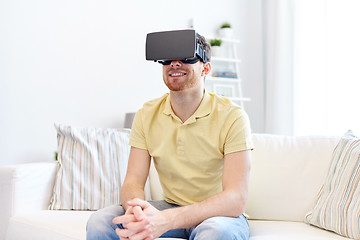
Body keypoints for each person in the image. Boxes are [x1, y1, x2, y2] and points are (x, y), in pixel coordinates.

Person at [86, 31, 253, 240]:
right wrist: (136, 210)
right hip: (169, 205)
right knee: (101, 222)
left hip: (218, 215)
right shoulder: (146, 115)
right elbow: (133, 182)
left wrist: (167, 220)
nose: (175, 64)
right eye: (167, 59)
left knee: (216, 233)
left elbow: (235, 199)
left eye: (186, 58)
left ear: (206, 68)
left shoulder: (233, 117)